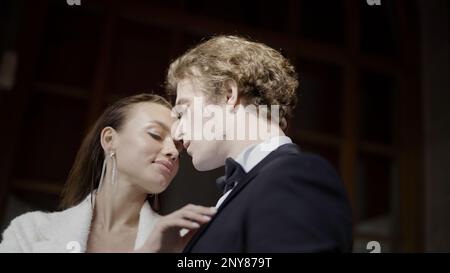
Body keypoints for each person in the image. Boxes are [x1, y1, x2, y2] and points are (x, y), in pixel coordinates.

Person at [165, 35, 353, 252]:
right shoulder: (253, 186)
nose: (177, 133)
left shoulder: (295, 177)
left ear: (229, 94)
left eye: (183, 110)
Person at [0, 93, 216, 253]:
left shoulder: (181, 245)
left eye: (178, 145)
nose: (172, 152)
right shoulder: (30, 232)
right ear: (109, 140)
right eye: (155, 134)